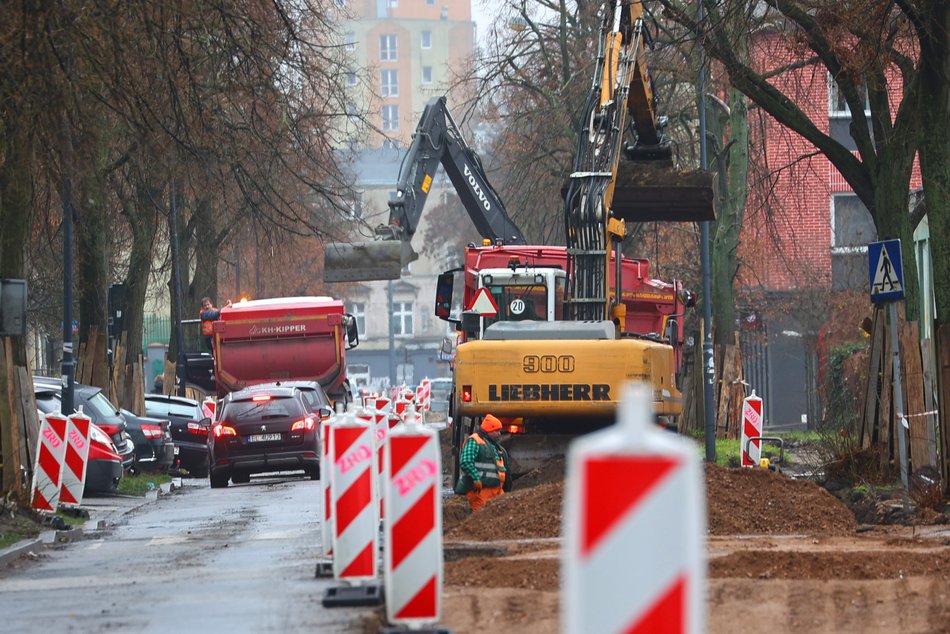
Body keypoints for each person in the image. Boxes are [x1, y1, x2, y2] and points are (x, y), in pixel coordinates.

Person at [455, 414, 512, 511]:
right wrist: (476, 478)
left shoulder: (497, 448)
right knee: (480, 519)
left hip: (497, 492)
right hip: (480, 492)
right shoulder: (475, 441)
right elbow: (466, 462)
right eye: (496, 431)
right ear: (489, 430)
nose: (499, 434)